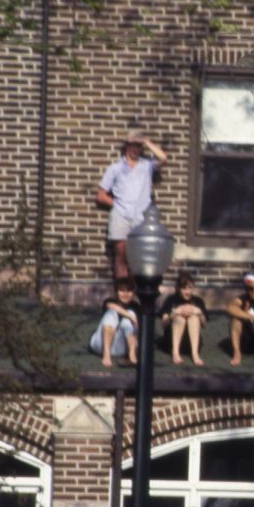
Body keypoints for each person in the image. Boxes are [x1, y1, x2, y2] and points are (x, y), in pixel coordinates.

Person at [95, 129, 168, 280]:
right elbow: (101, 195)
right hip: (121, 216)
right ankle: (121, 292)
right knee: (121, 256)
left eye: (138, 146)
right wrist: (117, 204)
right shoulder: (115, 168)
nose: (135, 149)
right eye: (132, 145)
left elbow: (163, 157)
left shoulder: (147, 165)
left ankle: (134, 296)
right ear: (127, 146)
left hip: (141, 218)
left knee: (138, 257)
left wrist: (146, 141)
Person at [160, 271, 210, 366]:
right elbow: (163, 323)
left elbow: (204, 324)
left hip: (192, 341)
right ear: (178, 288)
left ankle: (195, 354)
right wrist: (174, 314)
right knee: (180, 318)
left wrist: (199, 313)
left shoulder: (198, 301)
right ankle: (175, 353)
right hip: (171, 340)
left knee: (194, 317)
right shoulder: (171, 300)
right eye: (184, 288)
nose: (187, 292)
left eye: (190, 288)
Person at [89, 277, 141, 368]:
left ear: (133, 293)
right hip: (100, 345)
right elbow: (112, 306)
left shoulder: (136, 306)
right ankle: (106, 356)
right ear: (116, 292)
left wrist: (131, 317)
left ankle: (132, 356)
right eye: (121, 290)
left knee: (129, 317)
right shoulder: (110, 301)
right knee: (111, 313)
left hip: (121, 347)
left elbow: (136, 329)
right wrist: (130, 316)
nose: (125, 294)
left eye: (129, 291)